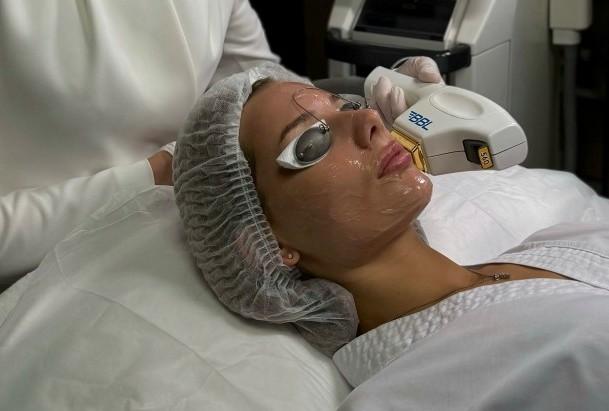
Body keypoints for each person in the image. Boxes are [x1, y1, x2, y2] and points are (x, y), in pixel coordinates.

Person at [173, 62, 609, 410]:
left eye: (346, 106)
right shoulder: (414, 394)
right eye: (309, 144)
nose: (369, 118)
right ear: (265, 245)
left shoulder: (555, 243)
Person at [0, 0, 444, 288]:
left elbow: (266, 88)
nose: (369, 122)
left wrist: (370, 95)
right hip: (52, 280)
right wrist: (161, 173)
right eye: (308, 146)